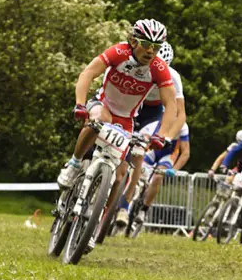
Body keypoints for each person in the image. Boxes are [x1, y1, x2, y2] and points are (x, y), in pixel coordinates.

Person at [56, 19, 179, 207]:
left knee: (120, 173)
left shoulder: (159, 68)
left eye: (156, 47)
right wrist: (80, 104)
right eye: (146, 45)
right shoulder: (119, 52)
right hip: (103, 103)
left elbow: (171, 105)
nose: (150, 51)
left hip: (126, 118)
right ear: (133, 41)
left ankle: (96, 218)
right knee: (99, 118)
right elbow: (88, 73)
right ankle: (74, 163)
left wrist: (161, 136)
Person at [116, 40, 187, 227]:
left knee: (138, 154)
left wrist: (167, 136)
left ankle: (125, 206)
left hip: (152, 113)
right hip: (132, 104)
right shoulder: (136, 65)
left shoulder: (173, 77)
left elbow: (180, 114)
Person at [130, 120, 191, 229]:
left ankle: (144, 209)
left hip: (169, 154)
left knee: (158, 177)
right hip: (153, 151)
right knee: (138, 170)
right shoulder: (157, 120)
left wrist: (175, 169)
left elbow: (185, 152)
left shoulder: (182, 126)